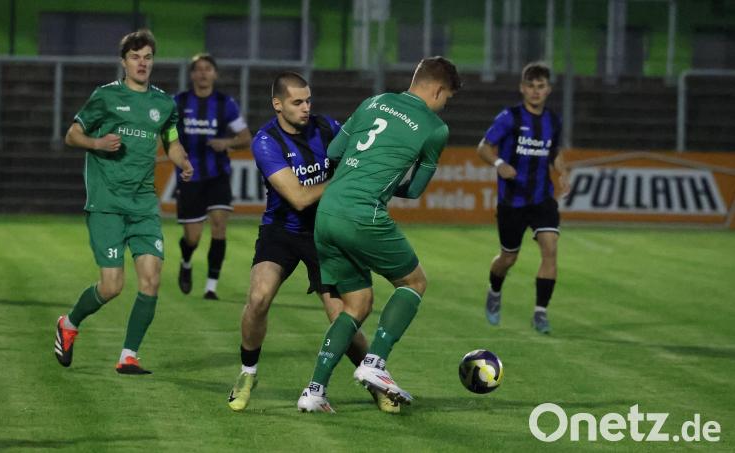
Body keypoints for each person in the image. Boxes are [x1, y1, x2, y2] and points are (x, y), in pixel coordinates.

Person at [296, 57, 461, 412]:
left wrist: (362, 171)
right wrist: (380, 182)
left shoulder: (373, 102)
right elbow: (415, 190)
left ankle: (314, 391)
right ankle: (375, 364)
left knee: (356, 304)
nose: (444, 104)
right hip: (362, 212)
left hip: (327, 211)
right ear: (437, 90)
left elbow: (334, 152)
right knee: (414, 282)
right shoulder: (435, 128)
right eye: (446, 97)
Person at [227, 72, 398, 414]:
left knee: (343, 319)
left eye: (308, 101)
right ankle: (248, 373)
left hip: (325, 232)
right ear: (278, 104)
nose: (306, 108)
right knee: (258, 298)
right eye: (297, 102)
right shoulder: (265, 141)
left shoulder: (327, 127)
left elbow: (360, 154)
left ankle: (377, 381)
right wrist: (344, 179)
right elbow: (300, 198)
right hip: (282, 230)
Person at [53, 30, 193, 374]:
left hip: (143, 204)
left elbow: (171, 141)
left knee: (151, 278)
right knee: (112, 286)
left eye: (147, 57)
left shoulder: (164, 104)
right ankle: (69, 323)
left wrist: (183, 161)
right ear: (123, 62)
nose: (142, 63)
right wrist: (98, 144)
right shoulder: (105, 97)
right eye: (135, 57)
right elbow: (72, 134)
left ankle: (128, 354)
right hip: (107, 203)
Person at [477, 61, 570, 334]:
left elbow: (555, 153)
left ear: (549, 89)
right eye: (530, 86)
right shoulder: (510, 117)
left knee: (550, 249)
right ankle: (494, 291)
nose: (535, 91)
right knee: (508, 258)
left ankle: (540, 313)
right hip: (512, 201)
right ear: (522, 88)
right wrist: (499, 165)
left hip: (542, 199)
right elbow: (483, 147)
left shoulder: (553, 120)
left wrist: (562, 173)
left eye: (541, 86)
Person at [173, 54, 251, 300]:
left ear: (215, 74)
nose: (203, 73)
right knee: (192, 237)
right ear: (192, 75)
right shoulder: (179, 101)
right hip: (189, 176)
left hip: (218, 174)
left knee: (219, 225)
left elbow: (245, 137)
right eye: (198, 69)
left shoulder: (225, 103)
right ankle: (186, 260)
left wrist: (226, 142)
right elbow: (165, 132)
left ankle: (211, 287)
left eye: (208, 69)